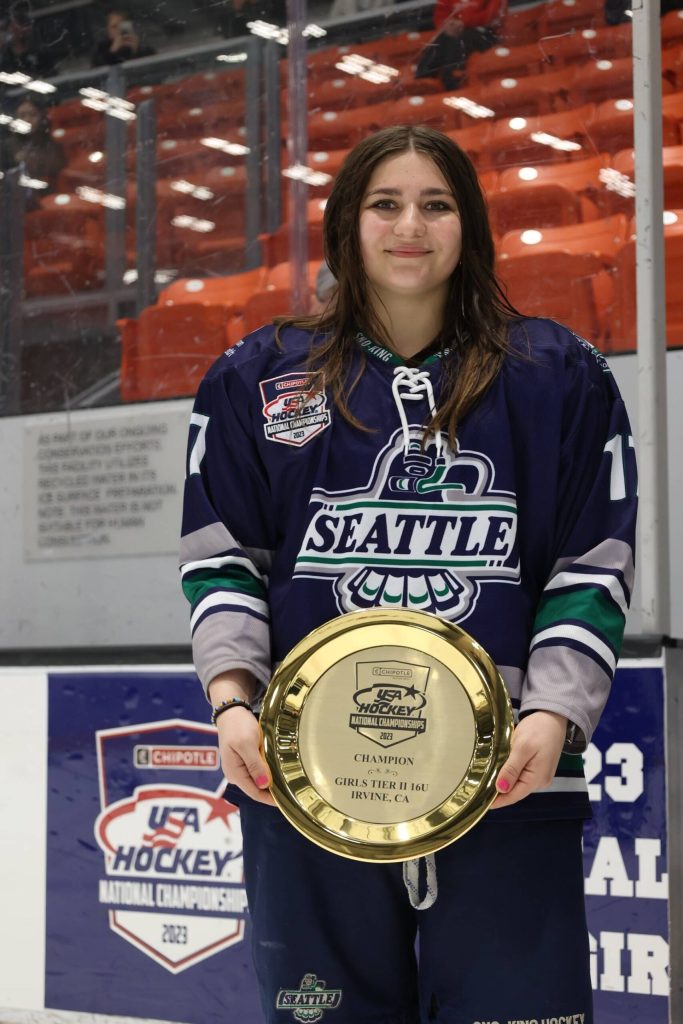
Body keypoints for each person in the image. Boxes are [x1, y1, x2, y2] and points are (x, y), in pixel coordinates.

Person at [180, 125, 637, 1024]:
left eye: (436, 204)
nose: (409, 228)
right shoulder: (256, 379)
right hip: (303, 779)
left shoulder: (559, 377)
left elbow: (592, 562)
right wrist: (234, 702)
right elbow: (224, 557)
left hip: (508, 775)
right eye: (385, 204)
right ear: (348, 222)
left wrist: (551, 713)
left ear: (469, 225)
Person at [415, 0, 506, 90]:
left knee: (461, 39)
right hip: (457, 32)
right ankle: (422, 80)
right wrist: (448, 25)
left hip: (485, 34)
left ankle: (452, 79)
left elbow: (492, 15)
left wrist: (463, 23)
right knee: (442, 39)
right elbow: (440, 15)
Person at [6, 96, 66, 197]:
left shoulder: (52, 146)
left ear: (42, 118)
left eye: (32, 115)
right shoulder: (6, 147)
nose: (27, 120)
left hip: (45, 198)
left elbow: (57, 171)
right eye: (22, 116)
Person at [0, 1, 58, 78]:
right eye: (16, 24)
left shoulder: (43, 56)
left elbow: (52, 76)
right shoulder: (5, 59)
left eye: (26, 25)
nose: (20, 31)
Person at [91, 8, 155, 67]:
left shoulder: (143, 47)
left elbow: (155, 68)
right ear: (108, 30)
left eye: (122, 26)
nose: (119, 30)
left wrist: (137, 51)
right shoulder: (101, 49)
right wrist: (113, 51)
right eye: (114, 27)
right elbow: (98, 73)